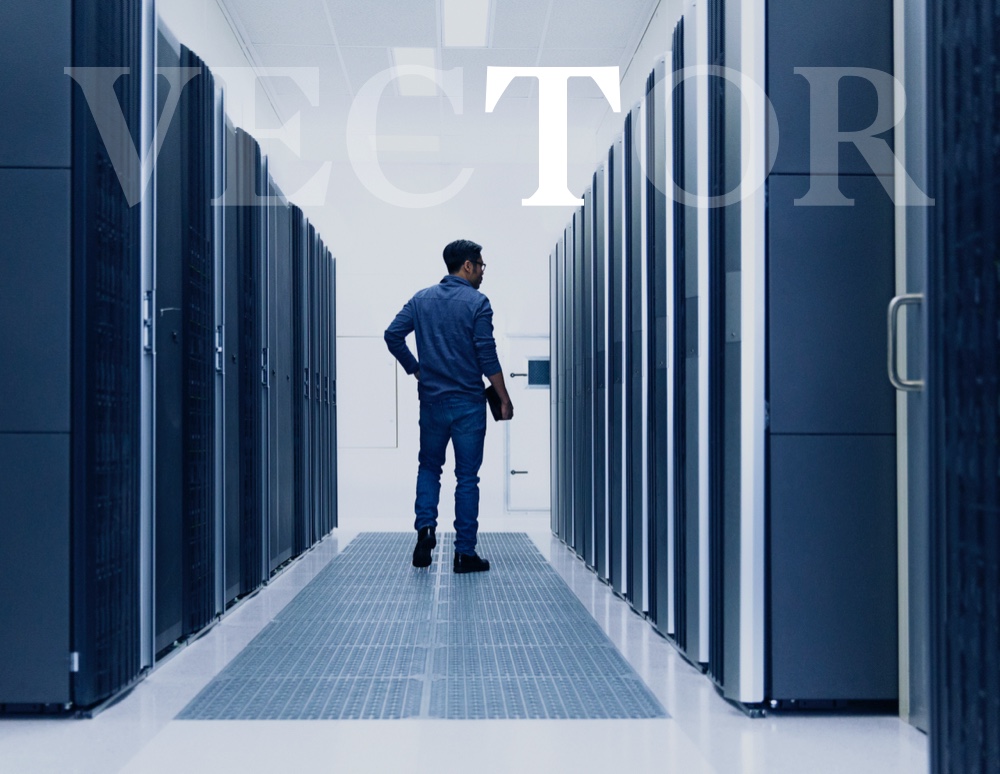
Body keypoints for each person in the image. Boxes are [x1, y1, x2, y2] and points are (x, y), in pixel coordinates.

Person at [384, 239, 513, 573]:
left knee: (429, 467)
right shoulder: (478, 303)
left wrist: (416, 368)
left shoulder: (421, 299)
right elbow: (487, 356)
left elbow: (392, 335)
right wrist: (503, 397)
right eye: (481, 265)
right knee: (467, 477)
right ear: (467, 266)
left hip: (432, 402)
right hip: (469, 404)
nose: (483, 271)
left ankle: (425, 529)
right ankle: (464, 553)